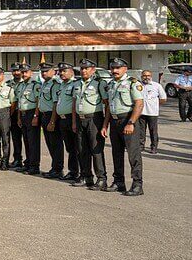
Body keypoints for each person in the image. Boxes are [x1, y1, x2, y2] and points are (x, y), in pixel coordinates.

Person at [106, 57, 145, 196]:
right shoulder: (111, 84)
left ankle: (137, 185)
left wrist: (131, 123)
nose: (115, 70)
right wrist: (105, 125)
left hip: (128, 120)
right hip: (114, 122)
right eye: (113, 68)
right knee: (116, 153)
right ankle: (119, 182)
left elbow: (139, 104)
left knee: (133, 155)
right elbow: (108, 107)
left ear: (125, 69)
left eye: (118, 68)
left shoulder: (132, 83)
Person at [72, 59, 110, 190]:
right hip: (79, 118)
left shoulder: (99, 83)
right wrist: (74, 121)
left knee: (96, 150)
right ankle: (86, 176)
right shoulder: (76, 83)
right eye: (82, 68)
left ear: (93, 70)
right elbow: (74, 103)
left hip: (95, 119)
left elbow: (107, 104)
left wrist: (105, 124)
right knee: (82, 149)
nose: (83, 71)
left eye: (86, 68)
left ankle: (101, 179)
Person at [54, 63, 80, 183]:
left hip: (72, 118)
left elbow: (75, 104)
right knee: (70, 148)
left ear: (71, 72)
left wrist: (74, 122)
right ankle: (72, 171)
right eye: (60, 71)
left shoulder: (75, 84)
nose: (61, 73)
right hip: (63, 119)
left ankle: (81, 172)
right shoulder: (61, 85)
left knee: (77, 147)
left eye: (64, 71)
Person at [37, 63, 64, 179]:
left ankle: (58, 169)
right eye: (42, 71)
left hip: (51, 116)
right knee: (50, 143)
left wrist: (52, 121)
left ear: (53, 71)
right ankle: (54, 168)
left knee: (56, 144)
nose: (44, 73)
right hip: (44, 115)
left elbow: (54, 103)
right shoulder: (44, 84)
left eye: (47, 71)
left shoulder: (55, 84)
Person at [15, 64, 41, 175]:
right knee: (26, 141)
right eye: (22, 72)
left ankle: (34, 166)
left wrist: (36, 116)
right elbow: (20, 103)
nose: (24, 74)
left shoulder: (35, 85)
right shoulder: (20, 86)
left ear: (31, 72)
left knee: (33, 142)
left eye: (26, 72)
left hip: (32, 115)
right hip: (23, 115)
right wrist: (19, 118)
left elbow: (38, 101)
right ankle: (28, 163)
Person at [139, 70, 166, 154]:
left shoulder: (156, 86)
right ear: (141, 76)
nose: (146, 77)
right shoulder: (138, 85)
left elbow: (163, 98)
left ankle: (154, 147)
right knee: (141, 131)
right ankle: (141, 146)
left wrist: (155, 105)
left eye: (148, 75)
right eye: (144, 75)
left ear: (151, 76)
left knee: (153, 131)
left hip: (152, 113)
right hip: (141, 112)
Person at [7, 64, 24, 169]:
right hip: (13, 114)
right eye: (14, 71)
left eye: (18, 70)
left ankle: (30, 162)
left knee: (28, 139)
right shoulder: (8, 84)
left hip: (24, 113)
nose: (16, 73)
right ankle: (17, 159)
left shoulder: (27, 83)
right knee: (16, 138)